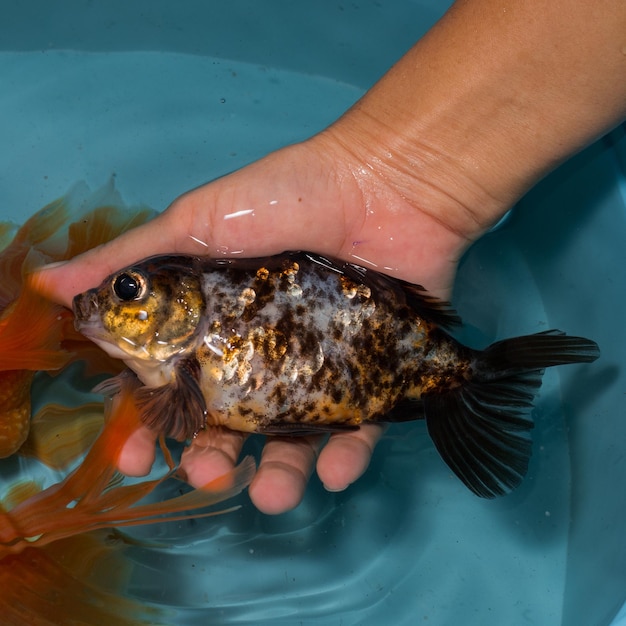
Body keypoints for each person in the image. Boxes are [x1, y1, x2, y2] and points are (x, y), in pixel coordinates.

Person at [36, 0, 626, 514]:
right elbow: (185, 404)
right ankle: (469, 373)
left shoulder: (183, 360)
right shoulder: (180, 360)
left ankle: (469, 373)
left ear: (181, 303)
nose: (109, 300)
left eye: (129, 291)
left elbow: (181, 408)